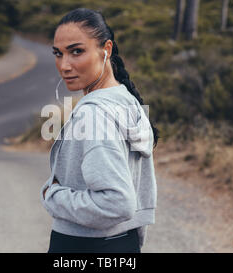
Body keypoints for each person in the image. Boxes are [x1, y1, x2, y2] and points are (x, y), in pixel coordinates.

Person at [40, 7, 159, 253]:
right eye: (58, 54)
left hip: (84, 246)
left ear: (106, 50)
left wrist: (53, 195)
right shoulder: (126, 100)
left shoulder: (94, 114)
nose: (64, 65)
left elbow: (117, 203)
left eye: (76, 52)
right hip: (121, 243)